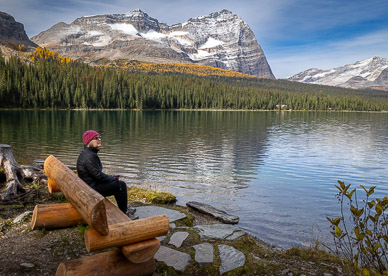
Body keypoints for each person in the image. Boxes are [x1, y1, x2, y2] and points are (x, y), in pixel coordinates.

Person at [76, 130, 138, 220]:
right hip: (91, 190)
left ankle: (124, 209)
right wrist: (113, 178)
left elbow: (96, 175)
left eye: (100, 137)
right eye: (96, 138)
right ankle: (124, 213)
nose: (99, 139)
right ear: (89, 141)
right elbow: (99, 176)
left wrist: (111, 178)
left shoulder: (87, 153)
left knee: (118, 183)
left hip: (89, 186)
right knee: (120, 185)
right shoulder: (89, 156)